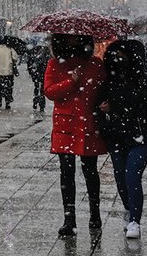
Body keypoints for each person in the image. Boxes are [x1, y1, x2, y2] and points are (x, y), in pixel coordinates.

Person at [96, 40, 147, 241]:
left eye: (123, 57)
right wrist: (105, 122)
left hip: (142, 137)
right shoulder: (109, 82)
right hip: (117, 137)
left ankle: (135, 220)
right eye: (116, 57)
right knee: (120, 179)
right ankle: (129, 208)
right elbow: (98, 108)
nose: (119, 61)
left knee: (132, 176)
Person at [44, 33, 107, 236]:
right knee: (67, 172)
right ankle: (69, 217)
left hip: (88, 122)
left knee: (90, 170)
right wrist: (70, 82)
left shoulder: (96, 64)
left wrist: (107, 103)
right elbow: (50, 91)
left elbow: (105, 89)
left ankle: (94, 213)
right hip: (66, 124)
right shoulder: (54, 64)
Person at [0, 39, 19, 110]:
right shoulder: (10, 49)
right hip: (8, 71)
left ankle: (0, 98)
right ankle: (8, 102)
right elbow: (15, 58)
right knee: (9, 87)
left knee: (0, 85)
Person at [27, 43, 49, 113]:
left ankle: (35, 102)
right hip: (43, 74)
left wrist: (31, 73)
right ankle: (42, 106)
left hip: (36, 74)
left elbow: (29, 63)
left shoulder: (33, 52)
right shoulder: (46, 53)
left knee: (36, 88)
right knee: (42, 90)